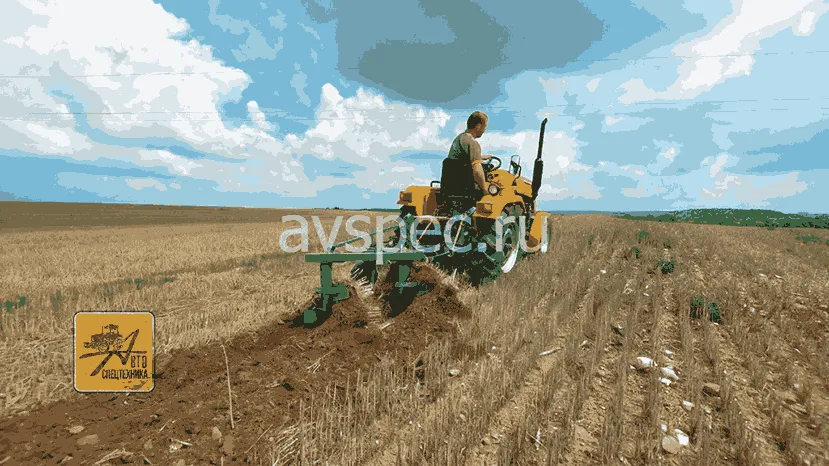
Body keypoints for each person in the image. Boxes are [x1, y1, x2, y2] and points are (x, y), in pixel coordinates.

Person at [445, 111, 493, 194]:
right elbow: (477, 170)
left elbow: (461, 160)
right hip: (466, 189)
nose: (485, 130)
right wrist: (485, 190)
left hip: (451, 186)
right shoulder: (472, 143)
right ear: (478, 126)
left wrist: (480, 157)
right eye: (485, 126)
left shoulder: (459, 138)